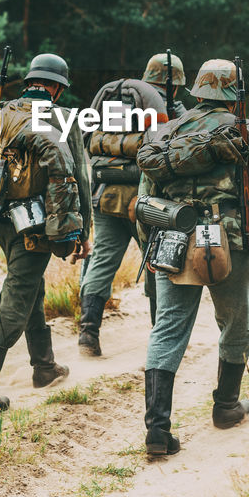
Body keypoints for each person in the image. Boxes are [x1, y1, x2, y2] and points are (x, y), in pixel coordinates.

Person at [137, 59, 249, 456]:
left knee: (167, 329)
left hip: (171, 237)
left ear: (197, 91)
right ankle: (226, 406)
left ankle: (157, 430)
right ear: (234, 93)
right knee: (235, 325)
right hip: (226, 242)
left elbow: (144, 198)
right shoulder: (245, 131)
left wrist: (146, 248)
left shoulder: (165, 132)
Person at [0, 52, 92, 413]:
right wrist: (82, 230)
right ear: (57, 89)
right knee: (20, 290)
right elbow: (79, 176)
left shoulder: (0, 112)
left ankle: (44, 366)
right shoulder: (63, 117)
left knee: (30, 281)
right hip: (38, 221)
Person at [78, 52, 186, 356]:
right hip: (147, 202)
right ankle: (160, 337)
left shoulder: (119, 101)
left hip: (106, 196)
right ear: (175, 85)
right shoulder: (167, 110)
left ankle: (88, 334)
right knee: (157, 262)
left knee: (102, 261)